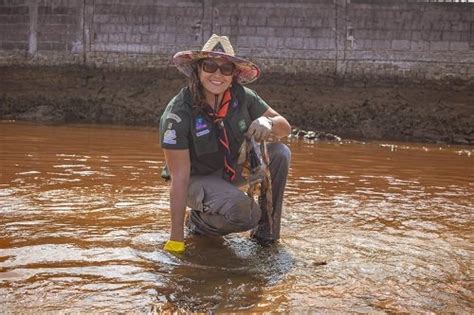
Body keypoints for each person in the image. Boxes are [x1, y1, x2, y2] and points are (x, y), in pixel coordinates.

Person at [159, 34, 291, 253]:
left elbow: (285, 128)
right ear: (198, 70)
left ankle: (267, 234)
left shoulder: (243, 97)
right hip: (196, 181)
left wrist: (267, 121)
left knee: (280, 153)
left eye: (226, 69)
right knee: (247, 213)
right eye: (210, 66)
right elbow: (179, 179)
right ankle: (198, 223)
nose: (217, 74)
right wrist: (176, 241)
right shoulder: (178, 114)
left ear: (233, 76)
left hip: (230, 171)